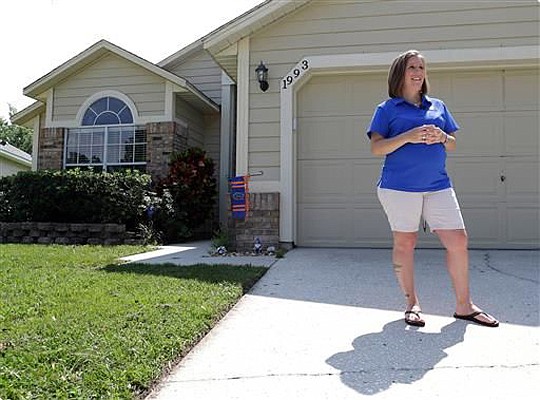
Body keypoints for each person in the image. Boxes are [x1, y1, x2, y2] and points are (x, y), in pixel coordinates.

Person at [366, 49, 499, 328]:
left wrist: (442, 136)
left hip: (438, 185)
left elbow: (453, 143)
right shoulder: (386, 109)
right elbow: (377, 148)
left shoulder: (438, 106)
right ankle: (411, 303)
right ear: (400, 73)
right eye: (411, 67)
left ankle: (464, 306)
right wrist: (408, 136)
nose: (417, 72)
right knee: (406, 243)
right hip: (399, 188)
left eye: (421, 67)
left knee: (458, 240)